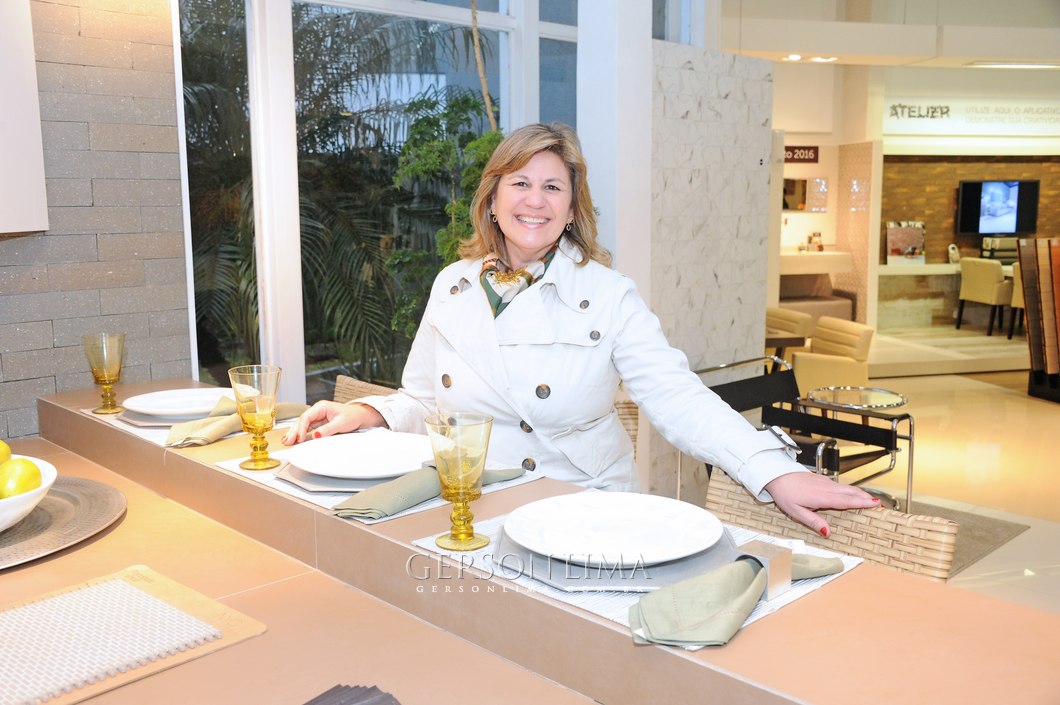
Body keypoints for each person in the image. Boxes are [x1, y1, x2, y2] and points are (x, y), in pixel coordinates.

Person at [283, 122, 879, 536]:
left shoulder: (608, 294)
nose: (534, 201)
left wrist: (772, 469)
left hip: (581, 507)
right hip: (472, 502)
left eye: (552, 187)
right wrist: (367, 412)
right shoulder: (452, 284)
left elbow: (676, 396)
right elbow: (423, 399)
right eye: (519, 183)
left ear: (572, 209)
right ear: (493, 199)